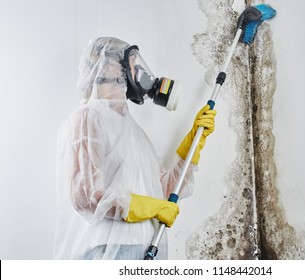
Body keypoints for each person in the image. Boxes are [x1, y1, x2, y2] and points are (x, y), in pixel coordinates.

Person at [54, 37, 216, 260]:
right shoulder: (89, 117)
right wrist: (148, 208)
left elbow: (165, 193)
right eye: (129, 63)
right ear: (106, 67)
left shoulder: (134, 132)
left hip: (152, 247)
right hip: (110, 250)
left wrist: (193, 143)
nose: (136, 70)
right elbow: (85, 195)